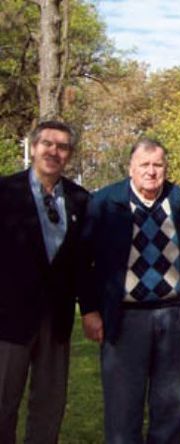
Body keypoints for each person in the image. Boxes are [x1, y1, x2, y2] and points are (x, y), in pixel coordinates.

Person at [78, 138, 180, 443]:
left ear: (166, 168)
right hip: (124, 318)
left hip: (173, 317)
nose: (151, 171)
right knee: (123, 407)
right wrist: (89, 310)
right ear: (130, 168)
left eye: (158, 164)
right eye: (144, 164)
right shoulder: (105, 202)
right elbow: (83, 261)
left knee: (170, 406)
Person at [0, 121, 90, 443]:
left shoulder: (80, 199)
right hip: (8, 320)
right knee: (2, 404)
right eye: (47, 144)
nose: (54, 151)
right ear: (33, 147)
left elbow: (84, 263)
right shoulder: (5, 192)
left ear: (70, 155)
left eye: (62, 147)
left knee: (49, 406)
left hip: (57, 321)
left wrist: (90, 309)